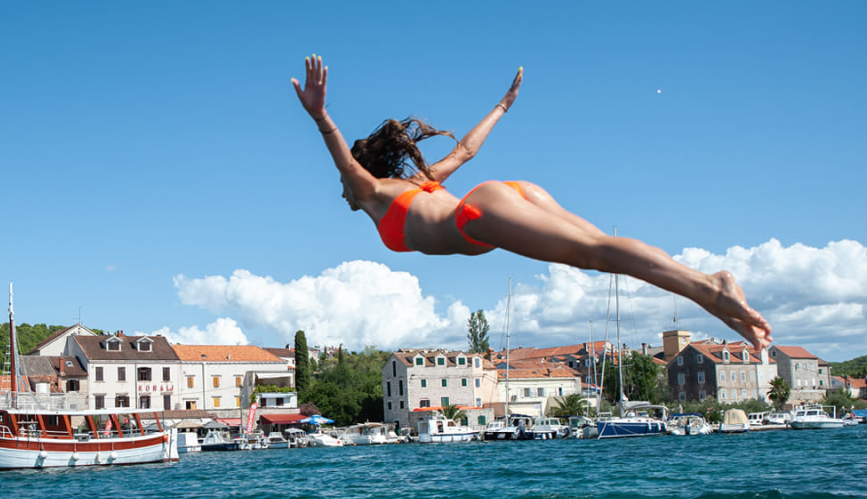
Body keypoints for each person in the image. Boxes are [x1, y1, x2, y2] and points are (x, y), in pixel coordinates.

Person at [291, 55, 773, 351]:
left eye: (344, 185)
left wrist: (321, 118)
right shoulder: (419, 182)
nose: (343, 192)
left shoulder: (371, 192)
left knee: (598, 254)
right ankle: (722, 306)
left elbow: (346, 166)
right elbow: (466, 151)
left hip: (480, 216)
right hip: (512, 194)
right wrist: (502, 107)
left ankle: (711, 286)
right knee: (602, 249)